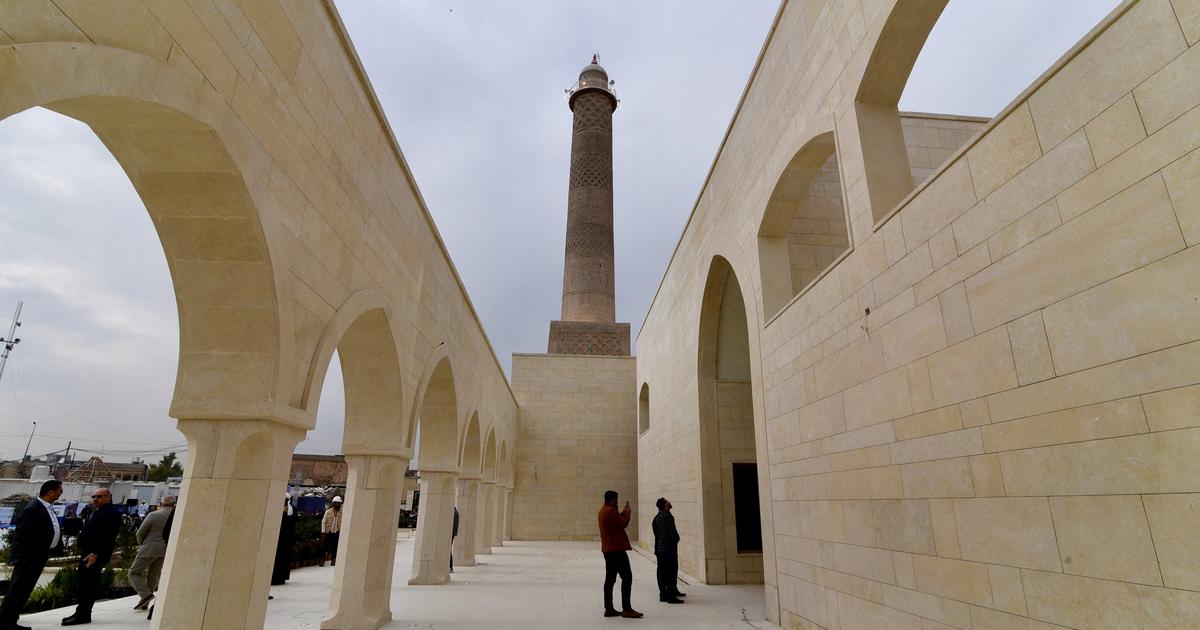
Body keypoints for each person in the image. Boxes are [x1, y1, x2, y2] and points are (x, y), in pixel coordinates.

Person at [0, 479, 63, 630]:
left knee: (24, 590)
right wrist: (22, 558)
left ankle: (11, 620)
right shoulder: (33, 509)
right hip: (28, 559)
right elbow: (21, 536)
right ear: (51, 492)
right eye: (60, 490)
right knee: (17, 590)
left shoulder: (47, 508)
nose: (61, 494)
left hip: (38, 557)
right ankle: (5, 623)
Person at [62, 487, 122, 626]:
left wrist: (96, 553)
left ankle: (84, 614)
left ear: (108, 497)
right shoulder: (100, 511)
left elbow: (108, 536)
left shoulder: (110, 513)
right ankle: (81, 611)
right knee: (83, 584)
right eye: (94, 496)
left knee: (88, 584)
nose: (96, 499)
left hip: (94, 555)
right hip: (88, 553)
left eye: (99, 497)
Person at [598, 490, 641, 619]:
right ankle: (627, 609)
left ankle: (609, 608)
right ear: (612, 500)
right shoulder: (610, 511)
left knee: (610, 579)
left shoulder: (604, 510)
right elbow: (623, 523)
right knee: (627, 577)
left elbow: (617, 521)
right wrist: (627, 512)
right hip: (615, 550)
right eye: (616, 499)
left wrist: (621, 512)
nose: (617, 502)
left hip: (609, 550)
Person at [128, 496, 176, 611]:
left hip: (149, 547)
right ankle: (144, 603)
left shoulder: (154, 515)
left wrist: (142, 544)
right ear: (174, 504)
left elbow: (140, 532)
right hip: (165, 550)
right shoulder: (176, 516)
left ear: (161, 503)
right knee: (153, 575)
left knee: (133, 573)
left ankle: (145, 595)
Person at [651, 497, 685, 603]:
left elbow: (656, 534)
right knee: (671, 571)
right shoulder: (668, 516)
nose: (670, 502)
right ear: (665, 505)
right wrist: (677, 539)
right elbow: (672, 532)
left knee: (661, 571)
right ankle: (671, 596)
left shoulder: (656, 517)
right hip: (669, 549)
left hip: (660, 549)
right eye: (667, 501)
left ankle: (664, 594)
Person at [272, 492, 296, 585]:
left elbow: (291, 524)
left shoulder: (292, 510)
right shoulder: (276, 509)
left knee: (283, 559)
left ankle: (281, 577)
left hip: (286, 540)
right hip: (276, 539)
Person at [320, 495, 343, 567]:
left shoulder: (342, 512)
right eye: (336, 503)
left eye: (339, 503)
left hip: (337, 532)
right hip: (328, 532)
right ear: (333, 503)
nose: (337, 504)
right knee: (324, 547)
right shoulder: (328, 511)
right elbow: (323, 522)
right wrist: (323, 532)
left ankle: (333, 560)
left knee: (335, 547)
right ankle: (322, 560)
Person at [449, 506, 459, 573]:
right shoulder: (454, 511)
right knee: (448, 550)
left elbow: (454, 525)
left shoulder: (453, 512)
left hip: (450, 534)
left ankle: (450, 566)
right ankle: (450, 566)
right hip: (452, 533)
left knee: (447, 550)